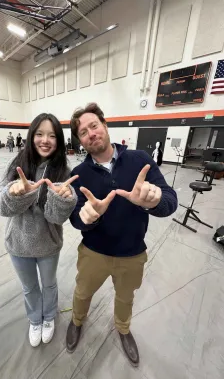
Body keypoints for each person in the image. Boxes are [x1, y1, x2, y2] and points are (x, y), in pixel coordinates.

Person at [65, 103, 178, 366]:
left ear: (105, 125)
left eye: (94, 125)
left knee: (126, 297)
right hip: (93, 253)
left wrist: (152, 201)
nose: (90, 133)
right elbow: (74, 218)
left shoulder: (139, 160)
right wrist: (86, 218)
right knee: (82, 292)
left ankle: (123, 329)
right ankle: (77, 320)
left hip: (132, 253)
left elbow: (170, 201)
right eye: (83, 132)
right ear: (80, 141)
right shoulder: (78, 174)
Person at [0, 113, 78, 348]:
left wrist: (64, 200)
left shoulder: (62, 170)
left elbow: (55, 217)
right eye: (39, 134)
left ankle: (49, 317)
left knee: (49, 285)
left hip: (48, 245)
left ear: (59, 140)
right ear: (31, 136)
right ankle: (35, 320)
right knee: (29, 287)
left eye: (52, 135)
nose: (45, 140)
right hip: (18, 244)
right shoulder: (17, 164)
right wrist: (16, 192)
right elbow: (0, 204)